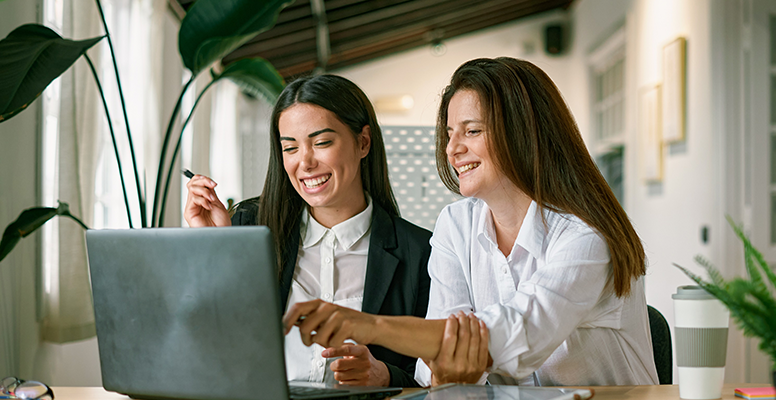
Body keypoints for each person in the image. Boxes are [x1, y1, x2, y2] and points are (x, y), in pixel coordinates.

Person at [282, 57, 660, 387]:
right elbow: (433, 370)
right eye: (450, 134)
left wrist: (368, 326)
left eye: (472, 131)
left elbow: (513, 336)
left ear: (524, 133)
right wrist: (449, 365)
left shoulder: (584, 236)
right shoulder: (456, 224)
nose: (452, 149)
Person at [184, 74, 432, 388]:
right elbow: (210, 345)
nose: (305, 162)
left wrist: (385, 375)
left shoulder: (419, 252)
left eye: (322, 143)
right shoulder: (251, 226)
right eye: (290, 148)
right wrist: (216, 246)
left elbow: (436, 377)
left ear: (363, 142)